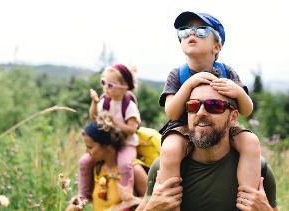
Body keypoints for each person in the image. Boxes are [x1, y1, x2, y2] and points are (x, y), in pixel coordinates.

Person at [157, 11, 261, 209]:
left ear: (217, 46)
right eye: (185, 31)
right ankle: (169, 203)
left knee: (251, 142)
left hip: (222, 126)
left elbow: (247, 110)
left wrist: (238, 92)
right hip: (183, 127)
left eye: (202, 31)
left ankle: (247, 201)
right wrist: (188, 85)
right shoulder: (177, 74)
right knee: (170, 149)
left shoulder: (227, 72)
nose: (191, 34)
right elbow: (171, 112)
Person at [138, 83, 278, 211]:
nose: (200, 113)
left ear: (233, 117)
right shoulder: (162, 168)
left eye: (214, 105)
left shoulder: (259, 171)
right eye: (193, 106)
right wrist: (151, 209)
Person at [78, 63, 141, 202]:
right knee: (84, 162)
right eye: (103, 83)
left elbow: (132, 129)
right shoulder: (105, 101)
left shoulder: (128, 105)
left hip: (126, 143)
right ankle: (83, 195)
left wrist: (115, 122)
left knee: (125, 164)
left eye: (110, 85)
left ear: (125, 87)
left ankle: (127, 195)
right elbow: (94, 117)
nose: (105, 88)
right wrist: (95, 103)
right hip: (109, 142)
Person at [67, 112, 147, 211]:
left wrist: (132, 200)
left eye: (90, 147)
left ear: (107, 146)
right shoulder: (96, 169)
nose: (87, 152)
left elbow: (154, 203)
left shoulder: (134, 170)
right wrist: (75, 205)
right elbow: (84, 196)